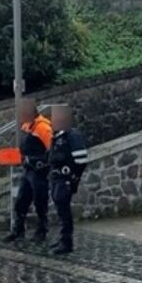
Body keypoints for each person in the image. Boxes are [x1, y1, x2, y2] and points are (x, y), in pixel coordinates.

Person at [2, 98, 53, 243]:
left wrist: (42, 163)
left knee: (40, 202)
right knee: (21, 201)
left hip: (39, 171)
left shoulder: (43, 127)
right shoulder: (28, 126)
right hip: (28, 170)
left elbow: (53, 149)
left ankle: (42, 231)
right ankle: (18, 231)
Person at [46, 104, 89, 256]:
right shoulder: (58, 136)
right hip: (57, 178)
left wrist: (74, 177)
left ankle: (67, 242)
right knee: (60, 210)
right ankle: (62, 239)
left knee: (64, 211)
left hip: (65, 179)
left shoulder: (72, 135)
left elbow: (81, 159)